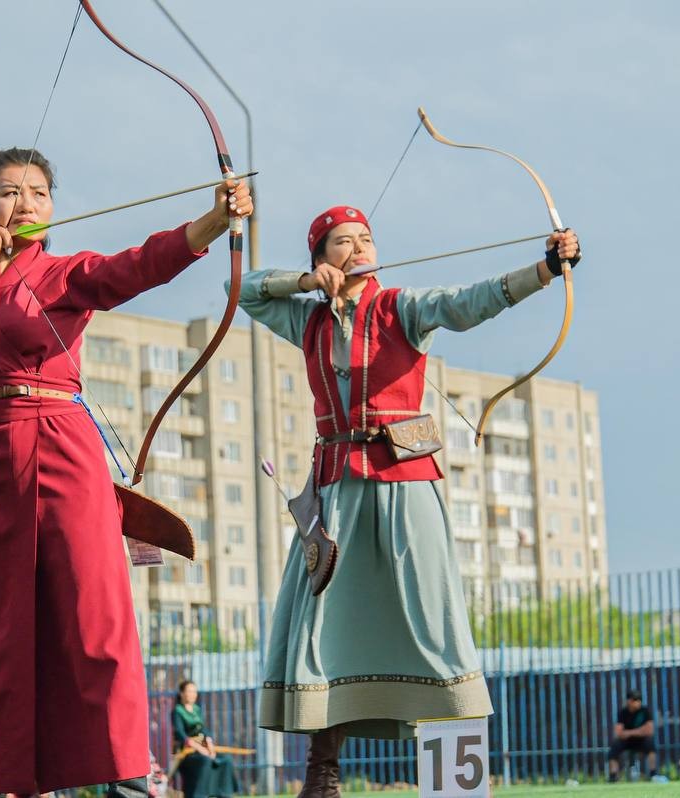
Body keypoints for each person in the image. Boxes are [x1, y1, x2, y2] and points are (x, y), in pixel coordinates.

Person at [0, 147, 251, 796]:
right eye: (9, 193)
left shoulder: (69, 274)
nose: (25, 204)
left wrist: (214, 222)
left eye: (39, 194)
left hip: (60, 450)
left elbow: (142, 264)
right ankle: (5, 779)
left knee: (91, 613)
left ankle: (129, 779)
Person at [231, 205, 581, 798]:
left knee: (432, 615)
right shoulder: (307, 321)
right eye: (344, 241)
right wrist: (304, 283)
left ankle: (455, 782)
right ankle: (323, 774)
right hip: (336, 489)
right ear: (323, 258)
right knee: (322, 625)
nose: (361, 245)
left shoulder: (402, 308)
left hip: (406, 482)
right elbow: (242, 290)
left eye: (366, 237)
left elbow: (471, 302)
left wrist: (546, 268)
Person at [171, 680, 239, 798]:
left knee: (226, 760)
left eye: (194, 691)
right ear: (182, 693)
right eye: (189, 691)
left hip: (202, 748)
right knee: (205, 760)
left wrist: (209, 744)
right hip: (187, 752)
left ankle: (224, 793)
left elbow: (203, 730)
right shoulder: (177, 711)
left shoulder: (197, 709)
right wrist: (200, 749)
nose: (193, 694)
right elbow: (181, 734)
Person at [607, 689, 661, 782]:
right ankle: (613, 776)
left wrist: (628, 732)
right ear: (629, 701)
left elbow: (649, 730)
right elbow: (619, 732)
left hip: (641, 740)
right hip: (626, 741)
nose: (638, 702)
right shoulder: (623, 713)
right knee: (614, 749)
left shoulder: (645, 711)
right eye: (635, 700)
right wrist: (640, 730)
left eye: (639, 700)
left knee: (651, 745)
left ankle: (653, 774)